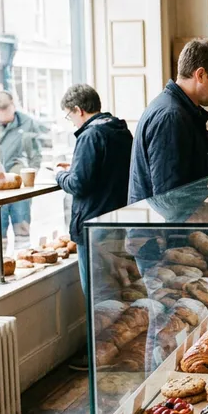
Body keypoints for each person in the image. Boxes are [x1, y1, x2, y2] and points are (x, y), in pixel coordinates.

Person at [128, 39, 208, 203]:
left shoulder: (178, 111)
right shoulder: (171, 117)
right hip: (164, 228)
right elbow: (170, 198)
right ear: (200, 75)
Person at [56, 84, 133, 296]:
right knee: (120, 288)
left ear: (79, 110)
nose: (71, 121)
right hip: (118, 219)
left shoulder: (90, 136)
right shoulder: (120, 130)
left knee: (97, 292)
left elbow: (79, 184)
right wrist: (74, 169)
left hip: (94, 225)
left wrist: (60, 175)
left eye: (69, 115)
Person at [0, 90, 44, 247]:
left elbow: (36, 153)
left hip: (20, 188)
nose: (4, 116)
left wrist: (32, 172)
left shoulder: (27, 122)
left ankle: (23, 260)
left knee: (22, 230)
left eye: (7, 111)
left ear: (13, 106)